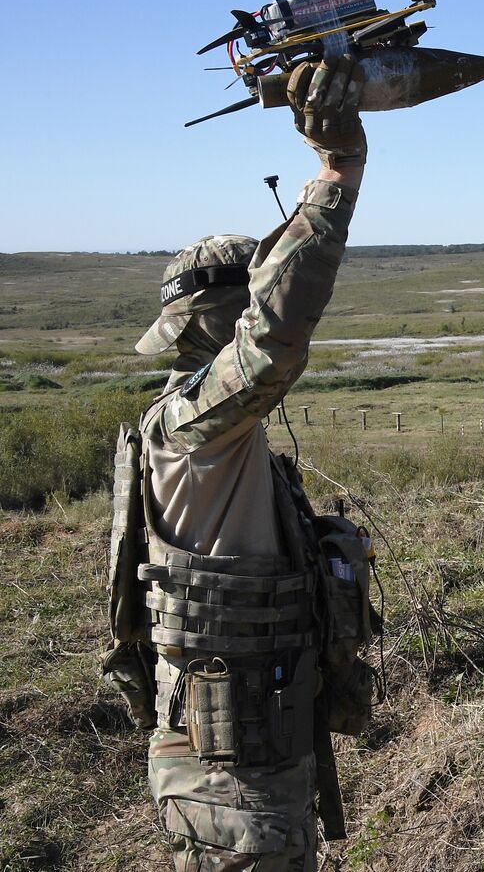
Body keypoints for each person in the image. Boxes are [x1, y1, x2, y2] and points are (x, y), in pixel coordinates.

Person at [104, 55, 368, 870]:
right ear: (226, 317)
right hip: (230, 769)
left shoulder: (196, 424)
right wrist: (337, 173)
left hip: (241, 744)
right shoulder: (196, 424)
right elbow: (276, 334)